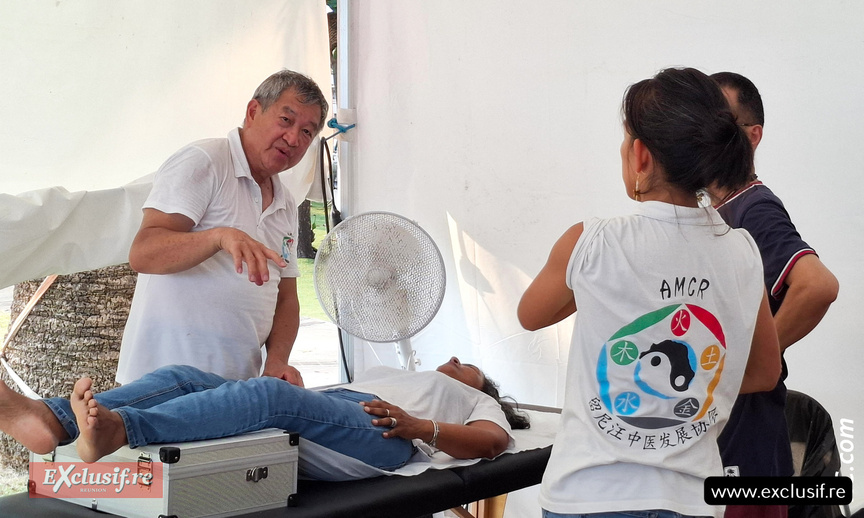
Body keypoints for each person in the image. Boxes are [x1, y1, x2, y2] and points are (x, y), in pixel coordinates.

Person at [517, 67, 782, 518]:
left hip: (588, 495)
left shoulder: (591, 242)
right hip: (694, 502)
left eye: (625, 141)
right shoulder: (741, 250)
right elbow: (762, 373)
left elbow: (531, 314)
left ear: (640, 156)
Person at [116, 70, 330, 387]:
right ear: (253, 111)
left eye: (307, 132)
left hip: (234, 389)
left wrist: (277, 361)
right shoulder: (205, 160)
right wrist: (219, 237)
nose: (293, 139)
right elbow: (144, 253)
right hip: (160, 382)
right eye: (286, 120)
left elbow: (285, 297)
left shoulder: (284, 199)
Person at [0, 357, 529, 475]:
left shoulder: (476, 403)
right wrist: (305, 389)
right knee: (184, 376)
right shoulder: (389, 367)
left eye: (469, 367)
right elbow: (334, 401)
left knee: (264, 398)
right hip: (343, 408)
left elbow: (489, 445)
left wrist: (419, 427)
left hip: (393, 438)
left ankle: (121, 430)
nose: (457, 362)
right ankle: (50, 420)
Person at [707, 72, 839, 518]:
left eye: (720, 123)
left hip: (747, 438)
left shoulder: (754, 207)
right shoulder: (716, 210)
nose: (705, 134)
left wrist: (750, 364)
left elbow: (818, 286)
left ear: (753, 135)